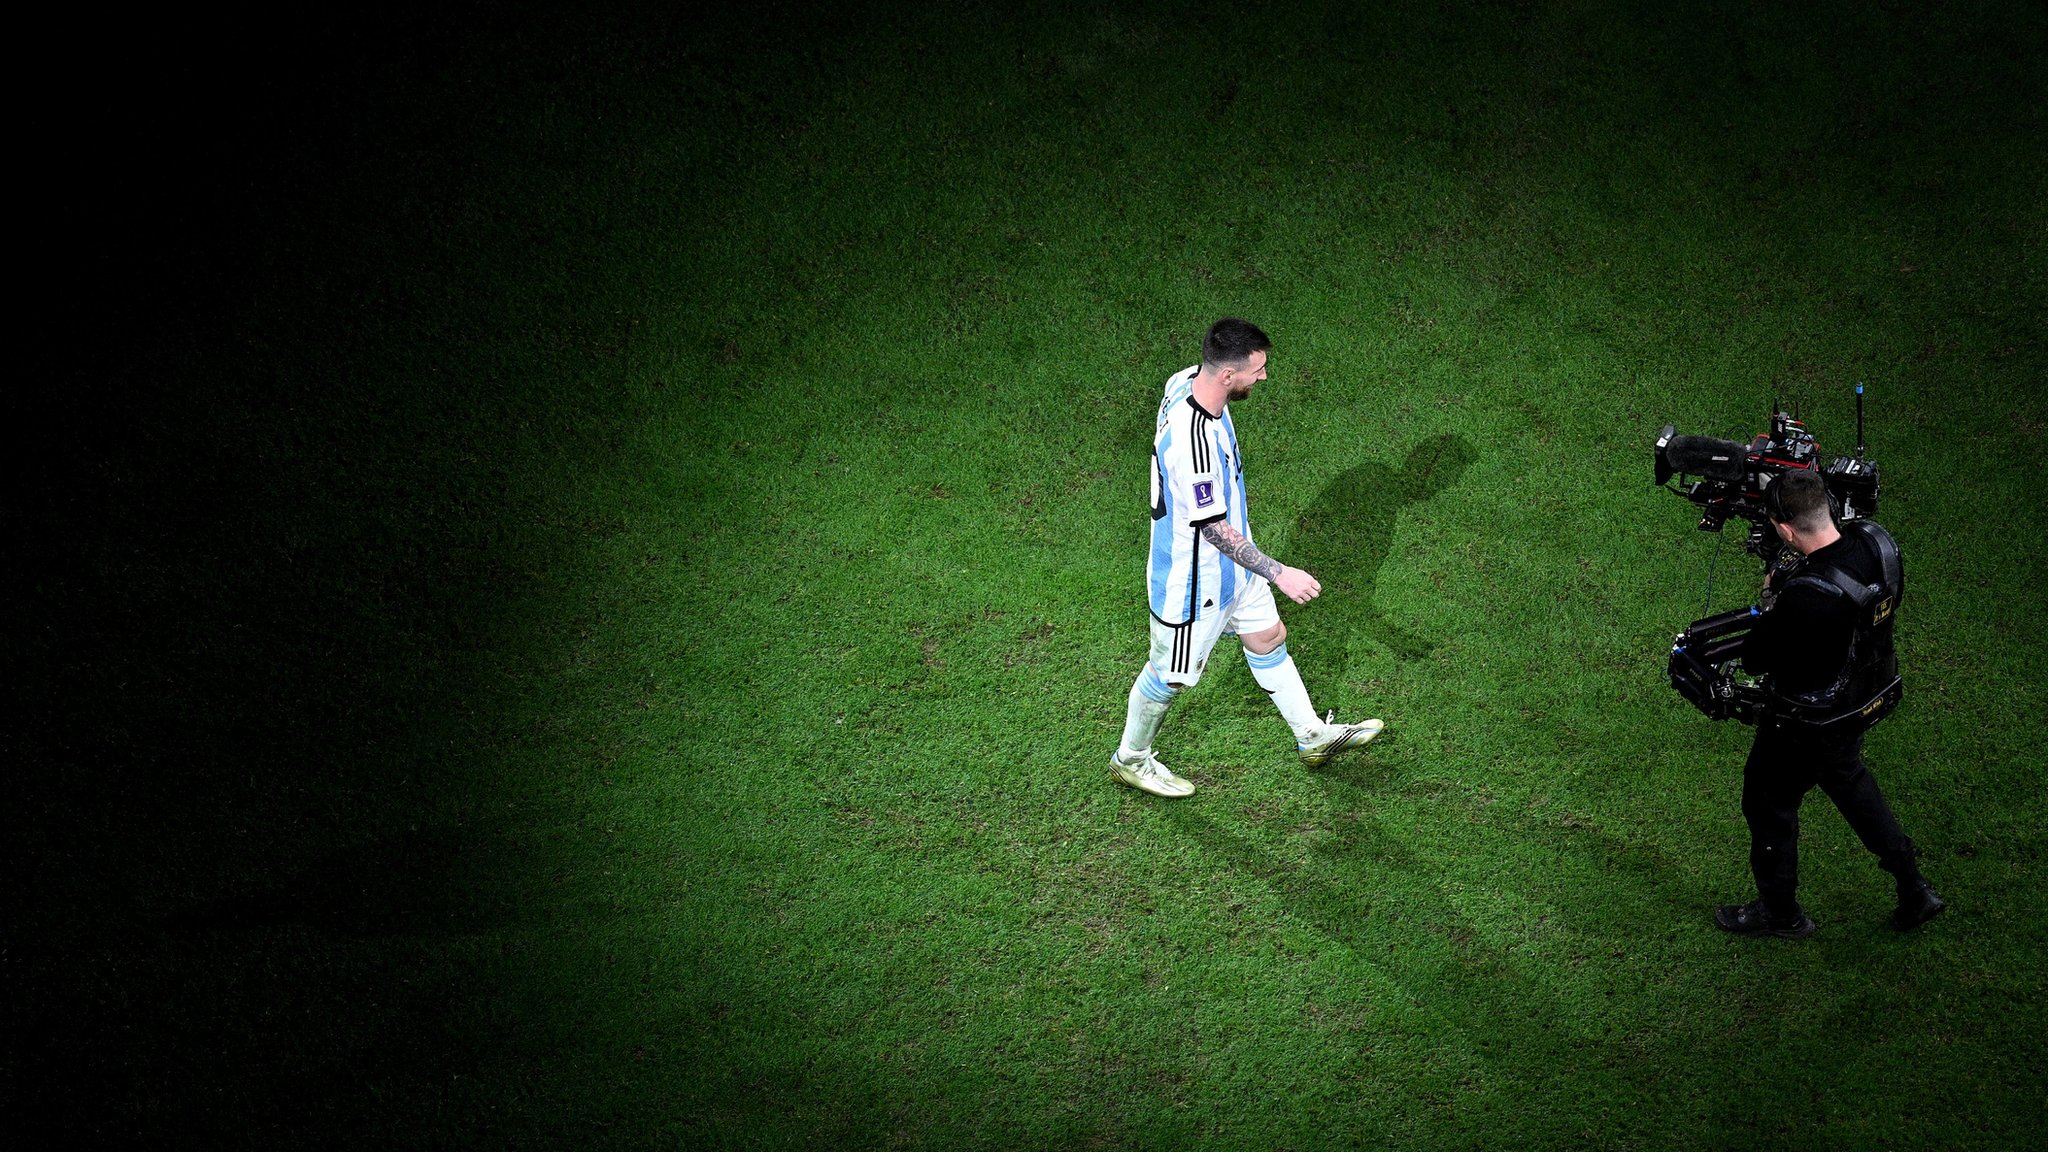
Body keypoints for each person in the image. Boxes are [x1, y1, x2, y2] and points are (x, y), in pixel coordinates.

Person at [1109, 318, 1384, 798]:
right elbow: (1213, 529)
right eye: (1257, 370)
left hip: (1236, 567)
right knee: (1169, 677)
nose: (1263, 376)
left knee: (1268, 636)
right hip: (1193, 585)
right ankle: (1130, 759)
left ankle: (1312, 737)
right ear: (1227, 375)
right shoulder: (1195, 446)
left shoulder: (1185, 380)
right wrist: (1280, 573)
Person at [1717, 467, 1945, 938]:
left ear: (1785, 530)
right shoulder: (1875, 544)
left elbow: (1756, 658)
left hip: (1805, 723)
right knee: (1853, 787)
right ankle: (1914, 889)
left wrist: (1771, 594)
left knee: (1767, 804)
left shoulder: (1805, 597)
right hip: (1860, 699)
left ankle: (1781, 916)